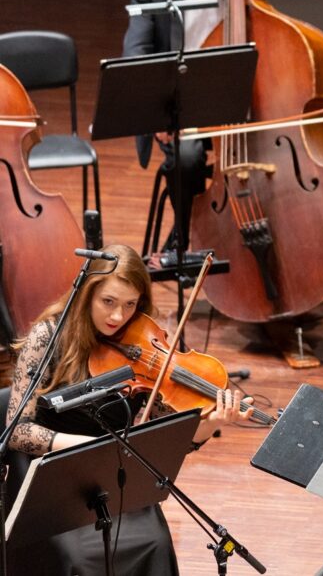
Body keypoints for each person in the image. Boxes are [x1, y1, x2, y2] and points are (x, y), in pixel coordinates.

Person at [5, 243, 253, 575]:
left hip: (116, 478)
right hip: (57, 481)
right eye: (108, 302)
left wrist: (213, 422)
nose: (118, 317)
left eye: (129, 305)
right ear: (87, 296)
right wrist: (89, 449)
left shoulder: (141, 344)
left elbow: (170, 436)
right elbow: (18, 432)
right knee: (79, 561)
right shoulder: (47, 339)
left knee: (156, 544)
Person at [123, 0, 320, 250]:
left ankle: (283, 232)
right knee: (186, 160)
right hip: (188, 99)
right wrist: (156, 112)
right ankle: (188, 238)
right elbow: (138, 53)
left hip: (252, 89)